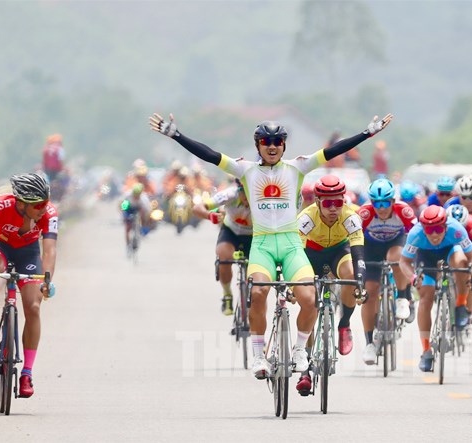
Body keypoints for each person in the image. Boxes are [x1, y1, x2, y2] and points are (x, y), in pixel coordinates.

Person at [149, 111, 392, 384]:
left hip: (291, 244)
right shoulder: (245, 170)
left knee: (309, 298)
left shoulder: (297, 167)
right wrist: (176, 135)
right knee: (259, 292)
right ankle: (258, 356)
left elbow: (334, 150)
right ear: (258, 146)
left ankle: (299, 350)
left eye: (277, 141)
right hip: (262, 244)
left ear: (284, 145)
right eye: (266, 141)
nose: (272, 146)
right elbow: (209, 155)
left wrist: (368, 133)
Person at [295, 175, 366, 394]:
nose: (333, 208)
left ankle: (344, 324)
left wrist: (360, 280)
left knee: (351, 275)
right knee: (310, 306)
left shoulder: (350, 217)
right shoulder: (306, 218)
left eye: (338, 202)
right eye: (328, 203)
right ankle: (304, 369)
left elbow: (358, 252)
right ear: (317, 202)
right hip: (310, 254)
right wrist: (293, 286)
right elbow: (296, 254)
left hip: (338, 252)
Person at [0, 173, 57, 398]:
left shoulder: (48, 213)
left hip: (28, 253)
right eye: (37, 205)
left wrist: (47, 281)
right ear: (20, 203)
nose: (43, 209)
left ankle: (27, 373)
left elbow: (49, 251)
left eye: (45, 203)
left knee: (34, 307)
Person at [399, 205, 472, 372]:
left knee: (461, 264)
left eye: (438, 229)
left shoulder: (456, 229)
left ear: (445, 226)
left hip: (450, 251)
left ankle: (461, 304)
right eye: (429, 230)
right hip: (426, 257)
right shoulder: (415, 234)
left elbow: (471, 257)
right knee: (426, 299)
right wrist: (413, 277)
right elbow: (404, 262)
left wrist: (471, 275)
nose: (434, 234)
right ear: (423, 229)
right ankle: (426, 351)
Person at [358, 178, 417, 364]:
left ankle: (402, 297)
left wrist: (413, 260)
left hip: (395, 243)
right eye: (377, 203)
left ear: (393, 201)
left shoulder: (404, 211)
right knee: (370, 292)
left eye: (385, 203)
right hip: (371, 247)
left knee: (396, 258)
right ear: (371, 203)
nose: (381, 208)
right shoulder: (364, 214)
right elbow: (354, 240)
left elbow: (416, 235)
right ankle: (369, 343)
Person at [192, 178, 252, 315]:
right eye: (244, 193)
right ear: (238, 190)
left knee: (255, 272)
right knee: (224, 259)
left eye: (251, 194)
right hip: (231, 232)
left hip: (254, 236)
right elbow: (197, 208)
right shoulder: (230, 194)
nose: (247, 198)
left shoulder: (263, 199)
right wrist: (209, 215)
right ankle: (227, 294)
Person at [120, 183, 153, 253]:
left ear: (140, 194)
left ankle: (140, 229)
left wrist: (146, 221)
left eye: (138, 195)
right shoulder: (127, 195)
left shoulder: (144, 198)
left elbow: (148, 211)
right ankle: (128, 244)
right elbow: (123, 208)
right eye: (135, 194)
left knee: (143, 212)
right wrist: (125, 217)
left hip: (138, 209)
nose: (136, 196)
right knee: (127, 227)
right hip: (129, 208)